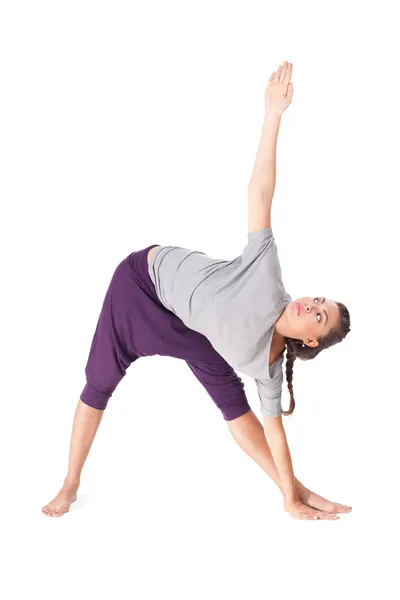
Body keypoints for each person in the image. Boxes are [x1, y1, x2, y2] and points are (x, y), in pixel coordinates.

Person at [42, 61, 352, 520]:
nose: (312, 304)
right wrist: (273, 115)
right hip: (141, 287)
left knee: (236, 410)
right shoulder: (267, 276)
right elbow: (260, 192)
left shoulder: (266, 368)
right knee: (99, 385)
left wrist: (290, 496)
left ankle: (297, 492)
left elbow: (274, 435)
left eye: (319, 317)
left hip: (197, 331)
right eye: (320, 300)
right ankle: (70, 483)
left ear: (309, 340)